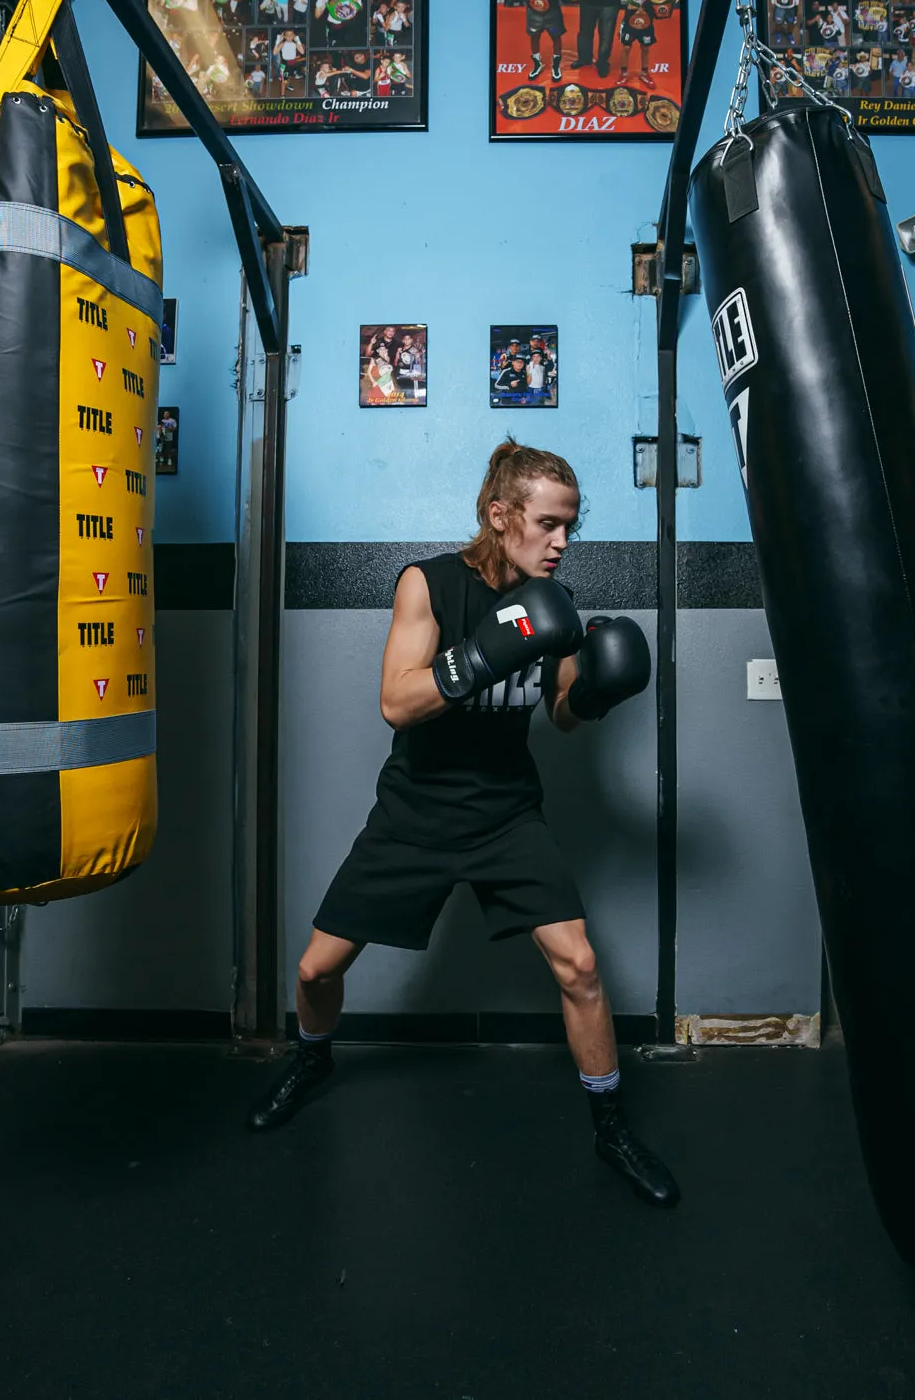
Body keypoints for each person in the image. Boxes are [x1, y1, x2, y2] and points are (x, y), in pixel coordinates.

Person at [244, 444, 679, 1209]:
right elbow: (397, 703)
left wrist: (599, 691)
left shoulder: (557, 601)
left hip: (506, 810)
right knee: (316, 971)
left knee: (578, 966)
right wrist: (483, 651)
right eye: (548, 524)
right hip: (416, 809)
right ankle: (314, 1058)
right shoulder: (428, 584)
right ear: (500, 515)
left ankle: (609, 1124)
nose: (562, 544)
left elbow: (563, 718)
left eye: (570, 528)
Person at [617, 0, 659, 87]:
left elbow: (663, 1)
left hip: (647, 21)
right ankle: (623, 73)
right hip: (630, 20)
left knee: (645, 48)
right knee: (626, 47)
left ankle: (644, 73)